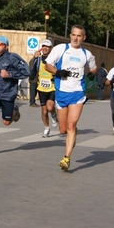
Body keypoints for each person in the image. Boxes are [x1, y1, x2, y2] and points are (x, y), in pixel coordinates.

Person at [44, 25, 97, 171]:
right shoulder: (61, 49)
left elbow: (93, 67)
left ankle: (66, 158)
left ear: (83, 38)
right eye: (73, 35)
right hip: (61, 93)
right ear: (70, 35)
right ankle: (73, 134)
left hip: (77, 93)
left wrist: (92, 74)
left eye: (79, 36)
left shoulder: (87, 54)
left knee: (71, 125)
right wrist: (58, 72)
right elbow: (47, 65)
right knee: (62, 130)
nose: (75, 38)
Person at [0, 36, 30, 155]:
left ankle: (14, 112)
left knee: (6, 123)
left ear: (6, 46)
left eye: (1, 44)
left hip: (8, 94)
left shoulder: (13, 57)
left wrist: (9, 74)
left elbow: (26, 72)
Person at [30, 39, 58, 137]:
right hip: (41, 88)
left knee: (50, 107)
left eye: (47, 46)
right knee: (44, 111)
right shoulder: (38, 59)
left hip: (52, 88)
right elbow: (32, 69)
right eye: (44, 46)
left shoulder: (55, 59)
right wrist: (34, 57)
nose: (45, 48)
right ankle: (46, 128)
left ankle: (54, 115)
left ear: (51, 48)